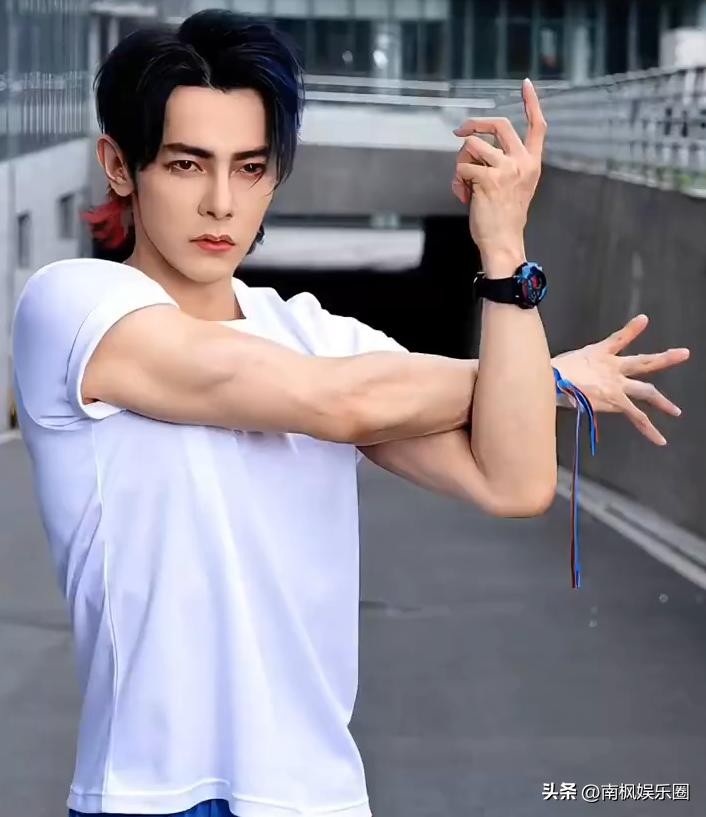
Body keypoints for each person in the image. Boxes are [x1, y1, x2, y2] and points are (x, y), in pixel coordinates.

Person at [10, 10, 689, 817]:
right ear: (119, 166)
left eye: (250, 167)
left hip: (319, 797)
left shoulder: (321, 336)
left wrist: (505, 250)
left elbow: (513, 481)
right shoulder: (74, 306)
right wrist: (545, 376)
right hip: (146, 795)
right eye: (188, 164)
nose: (222, 202)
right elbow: (332, 402)